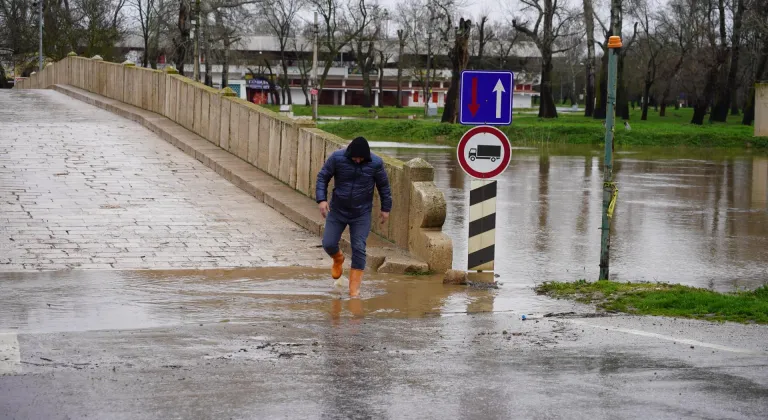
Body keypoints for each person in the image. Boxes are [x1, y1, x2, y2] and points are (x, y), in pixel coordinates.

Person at [316, 137, 392, 298]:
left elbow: (383, 186)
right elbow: (323, 177)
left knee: (359, 248)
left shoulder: (376, 163)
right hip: (338, 210)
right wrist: (321, 200)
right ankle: (338, 259)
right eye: (355, 158)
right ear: (349, 153)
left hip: (361, 213)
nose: (357, 160)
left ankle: (354, 291)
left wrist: (386, 208)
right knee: (328, 243)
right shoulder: (337, 158)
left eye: (361, 158)